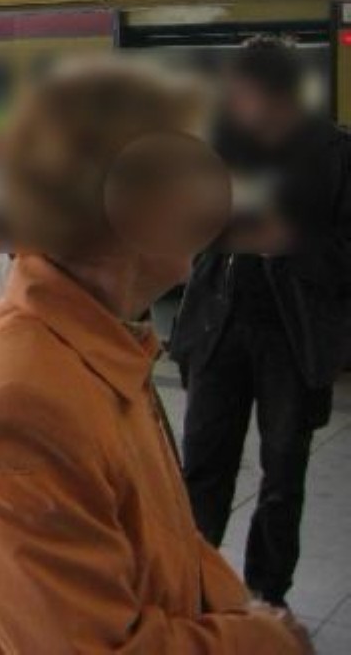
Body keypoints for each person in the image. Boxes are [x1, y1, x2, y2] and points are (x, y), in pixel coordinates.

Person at [0, 60, 311, 653]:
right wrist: (263, 641)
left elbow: (170, 545)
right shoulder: (23, 407)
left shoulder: (96, 349)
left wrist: (245, 613)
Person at [171, 36, 351, 610]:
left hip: (293, 339)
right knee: (203, 466)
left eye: (246, 95)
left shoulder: (336, 155)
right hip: (218, 330)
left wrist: (289, 243)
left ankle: (267, 597)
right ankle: (193, 587)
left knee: (282, 477)